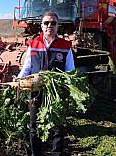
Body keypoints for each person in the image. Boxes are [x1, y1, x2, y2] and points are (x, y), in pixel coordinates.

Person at [17, 11, 75, 156]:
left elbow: (70, 71)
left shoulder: (65, 46)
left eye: (53, 23)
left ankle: (56, 153)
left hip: (55, 93)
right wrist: (18, 80)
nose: (50, 26)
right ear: (41, 26)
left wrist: (65, 87)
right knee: (34, 126)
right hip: (36, 92)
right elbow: (27, 67)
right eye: (46, 23)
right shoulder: (33, 44)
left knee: (57, 127)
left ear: (58, 26)